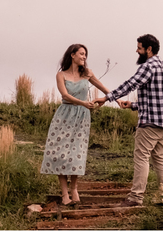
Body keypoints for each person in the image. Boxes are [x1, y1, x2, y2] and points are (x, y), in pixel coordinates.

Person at [96, 34, 163, 207]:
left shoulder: (148, 66)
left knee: (141, 157)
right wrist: (132, 105)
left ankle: (135, 198)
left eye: (139, 48)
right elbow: (159, 99)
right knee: (160, 158)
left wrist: (107, 97)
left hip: (150, 123)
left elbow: (130, 84)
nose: (136, 51)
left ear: (148, 49)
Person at [40, 43, 111, 206]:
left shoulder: (87, 73)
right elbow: (65, 95)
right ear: (72, 55)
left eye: (85, 54)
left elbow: (104, 88)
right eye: (81, 54)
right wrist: (83, 102)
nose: (84, 57)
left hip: (81, 117)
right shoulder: (61, 75)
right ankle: (64, 194)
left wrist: (116, 99)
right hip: (64, 115)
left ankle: (74, 189)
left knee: (76, 152)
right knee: (60, 152)